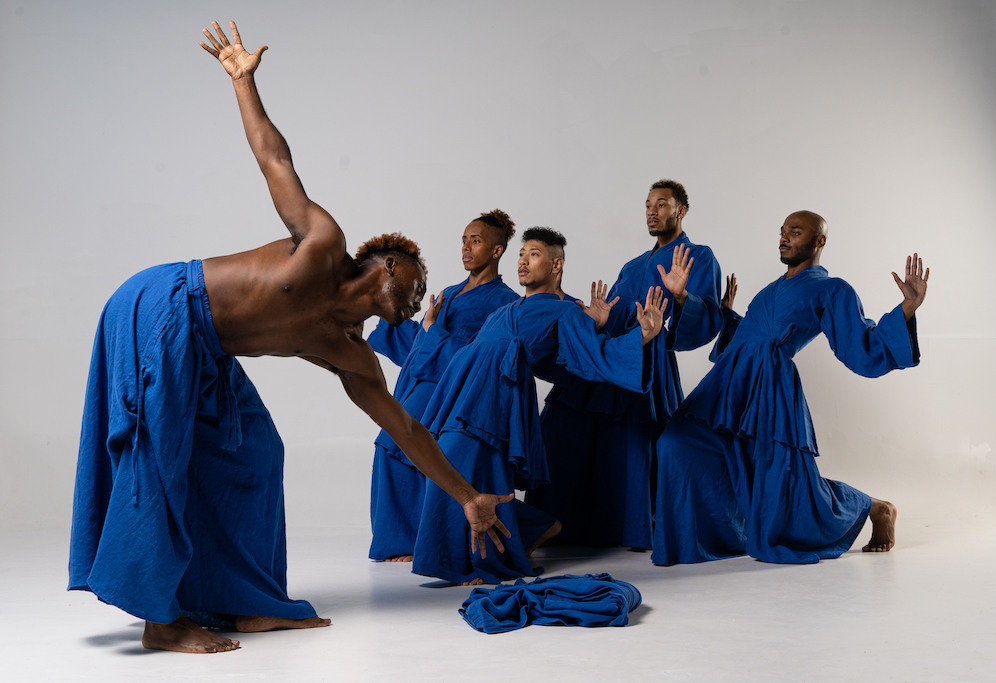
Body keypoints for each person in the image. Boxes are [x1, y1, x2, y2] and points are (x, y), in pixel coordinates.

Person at [68, 21, 512, 654]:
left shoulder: (351, 351)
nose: (420, 297)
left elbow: (406, 429)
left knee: (254, 451)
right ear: (388, 265)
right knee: (159, 451)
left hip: (208, 350)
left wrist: (467, 497)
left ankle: (243, 600)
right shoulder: (323, 245)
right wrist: (243, 81)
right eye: (415, 283)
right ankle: (161, 621)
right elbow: (275, 160)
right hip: (164, 306)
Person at [652, 210, 928, 565]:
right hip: (728, 387)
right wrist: (722, 315)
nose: (784, 238)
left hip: (771, 392)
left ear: (819, 241)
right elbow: (745, 341)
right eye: (782, 231)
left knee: (789, 487)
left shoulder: (833, 289)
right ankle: (717, 532)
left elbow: (861, 346)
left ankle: (876, 509)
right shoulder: (768, 292)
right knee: (677, 442)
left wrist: (907, 307)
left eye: (795, 232)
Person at [412, 228, 669, 585]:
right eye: (521, 254)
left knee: (460, 466)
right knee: (450, 468)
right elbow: (472, 350)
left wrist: (639, 335)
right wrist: (431, 331)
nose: (522, 260)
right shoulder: (506, 309)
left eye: (533, 254)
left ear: (556, 264)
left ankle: (486, 560)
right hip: (465, 387)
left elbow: (590, 358)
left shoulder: (568, 312)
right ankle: (535, 526)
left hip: (496, 397)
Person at [527, 180, 723, 549]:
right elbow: (610, 310)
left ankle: (631, 529)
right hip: (608, 356)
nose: (651, 211)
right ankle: (567, 526)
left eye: (661, 205)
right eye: (647, 205)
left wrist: (681, 295)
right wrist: (596, 321)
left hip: (647, 358)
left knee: (634, 439)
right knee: (566, 430)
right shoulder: (633, 265)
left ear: (680, 211)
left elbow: (706, 321)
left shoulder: (699, 255)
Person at [366, 210, 520, 562]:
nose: (466, 248)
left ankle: (423, 540)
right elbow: (418, 340)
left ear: (497, 251)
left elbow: (481, 356)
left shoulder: (506, 301)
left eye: (476, 241)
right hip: (420, 382)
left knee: (414, 450)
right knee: (390, 447)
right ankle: (402, 539)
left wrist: (433, 331)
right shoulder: (449, 293)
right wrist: (396, 317)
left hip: (456, 390)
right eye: (464, 240)